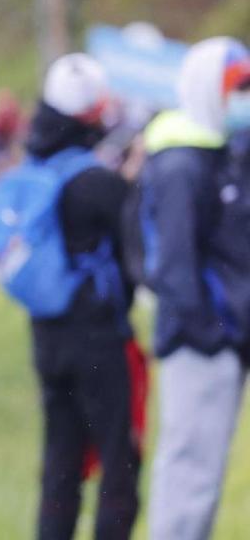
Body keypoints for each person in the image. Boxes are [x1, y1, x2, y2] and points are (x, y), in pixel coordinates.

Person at [16, 53, 142, 539]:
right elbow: (137, 252)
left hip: (46, 337)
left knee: (61, 467)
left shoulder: (35, 166)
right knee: (119, 464)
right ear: (94, 113)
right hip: (98, 340)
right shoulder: (99, 182)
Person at [142, 36, 250, 540]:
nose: (244, 97)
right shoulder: (181, 163)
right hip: (201, 342)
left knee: (204, 476)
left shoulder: (222, 153)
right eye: (238, 87)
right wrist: (212, 330)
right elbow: (175, 263)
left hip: (228, 336)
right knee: (190, 475)